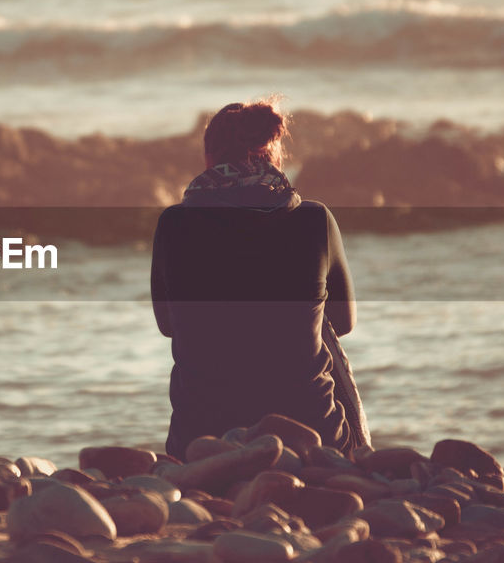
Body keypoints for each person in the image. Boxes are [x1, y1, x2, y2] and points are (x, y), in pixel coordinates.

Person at [151, 98, 370, 460]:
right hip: (314, 432)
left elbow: (169, 325)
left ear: (210, 158)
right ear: (274, 152)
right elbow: (343, 323)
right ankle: (357, 459)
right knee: (319, 327)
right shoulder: (315, 220)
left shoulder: (173, 224)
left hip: (201, 435)